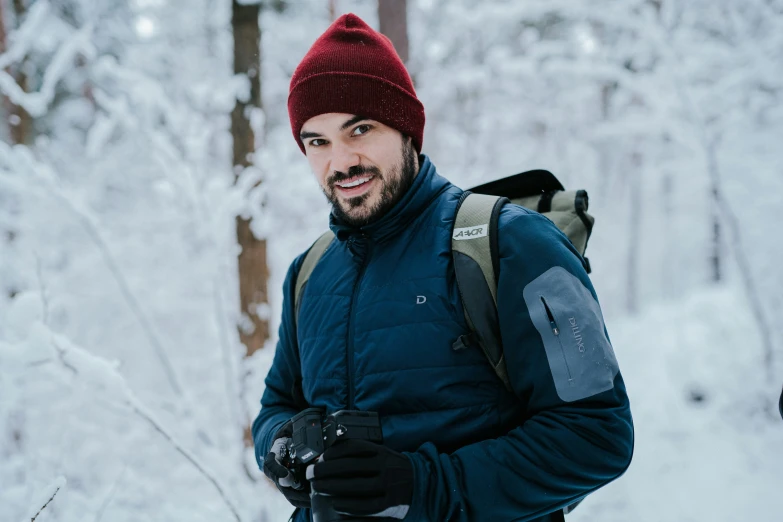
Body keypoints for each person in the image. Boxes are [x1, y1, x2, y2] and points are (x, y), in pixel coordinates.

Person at [252, 13, 634, 522]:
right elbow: (276, 403)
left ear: (407, 129)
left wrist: (424, 485)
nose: (340, 162)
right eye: (316, 141)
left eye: (359, 129)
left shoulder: (511, 245)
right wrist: (279, 444)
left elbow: (597, 433)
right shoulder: (310, 272)